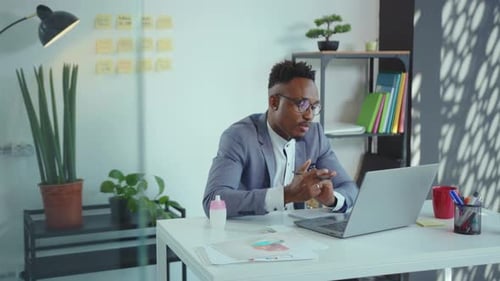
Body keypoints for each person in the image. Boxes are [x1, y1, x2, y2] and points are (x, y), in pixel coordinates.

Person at [202, 60, 358, 218]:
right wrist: (286, 195)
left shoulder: (314, 135)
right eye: (301, 104)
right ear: (274, 102)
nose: (309, 115)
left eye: (313, 106)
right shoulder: (239, 137)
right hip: (253, 235)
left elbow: (349, 188)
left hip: (299, 234)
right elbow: (214, 200)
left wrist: (332, 199)